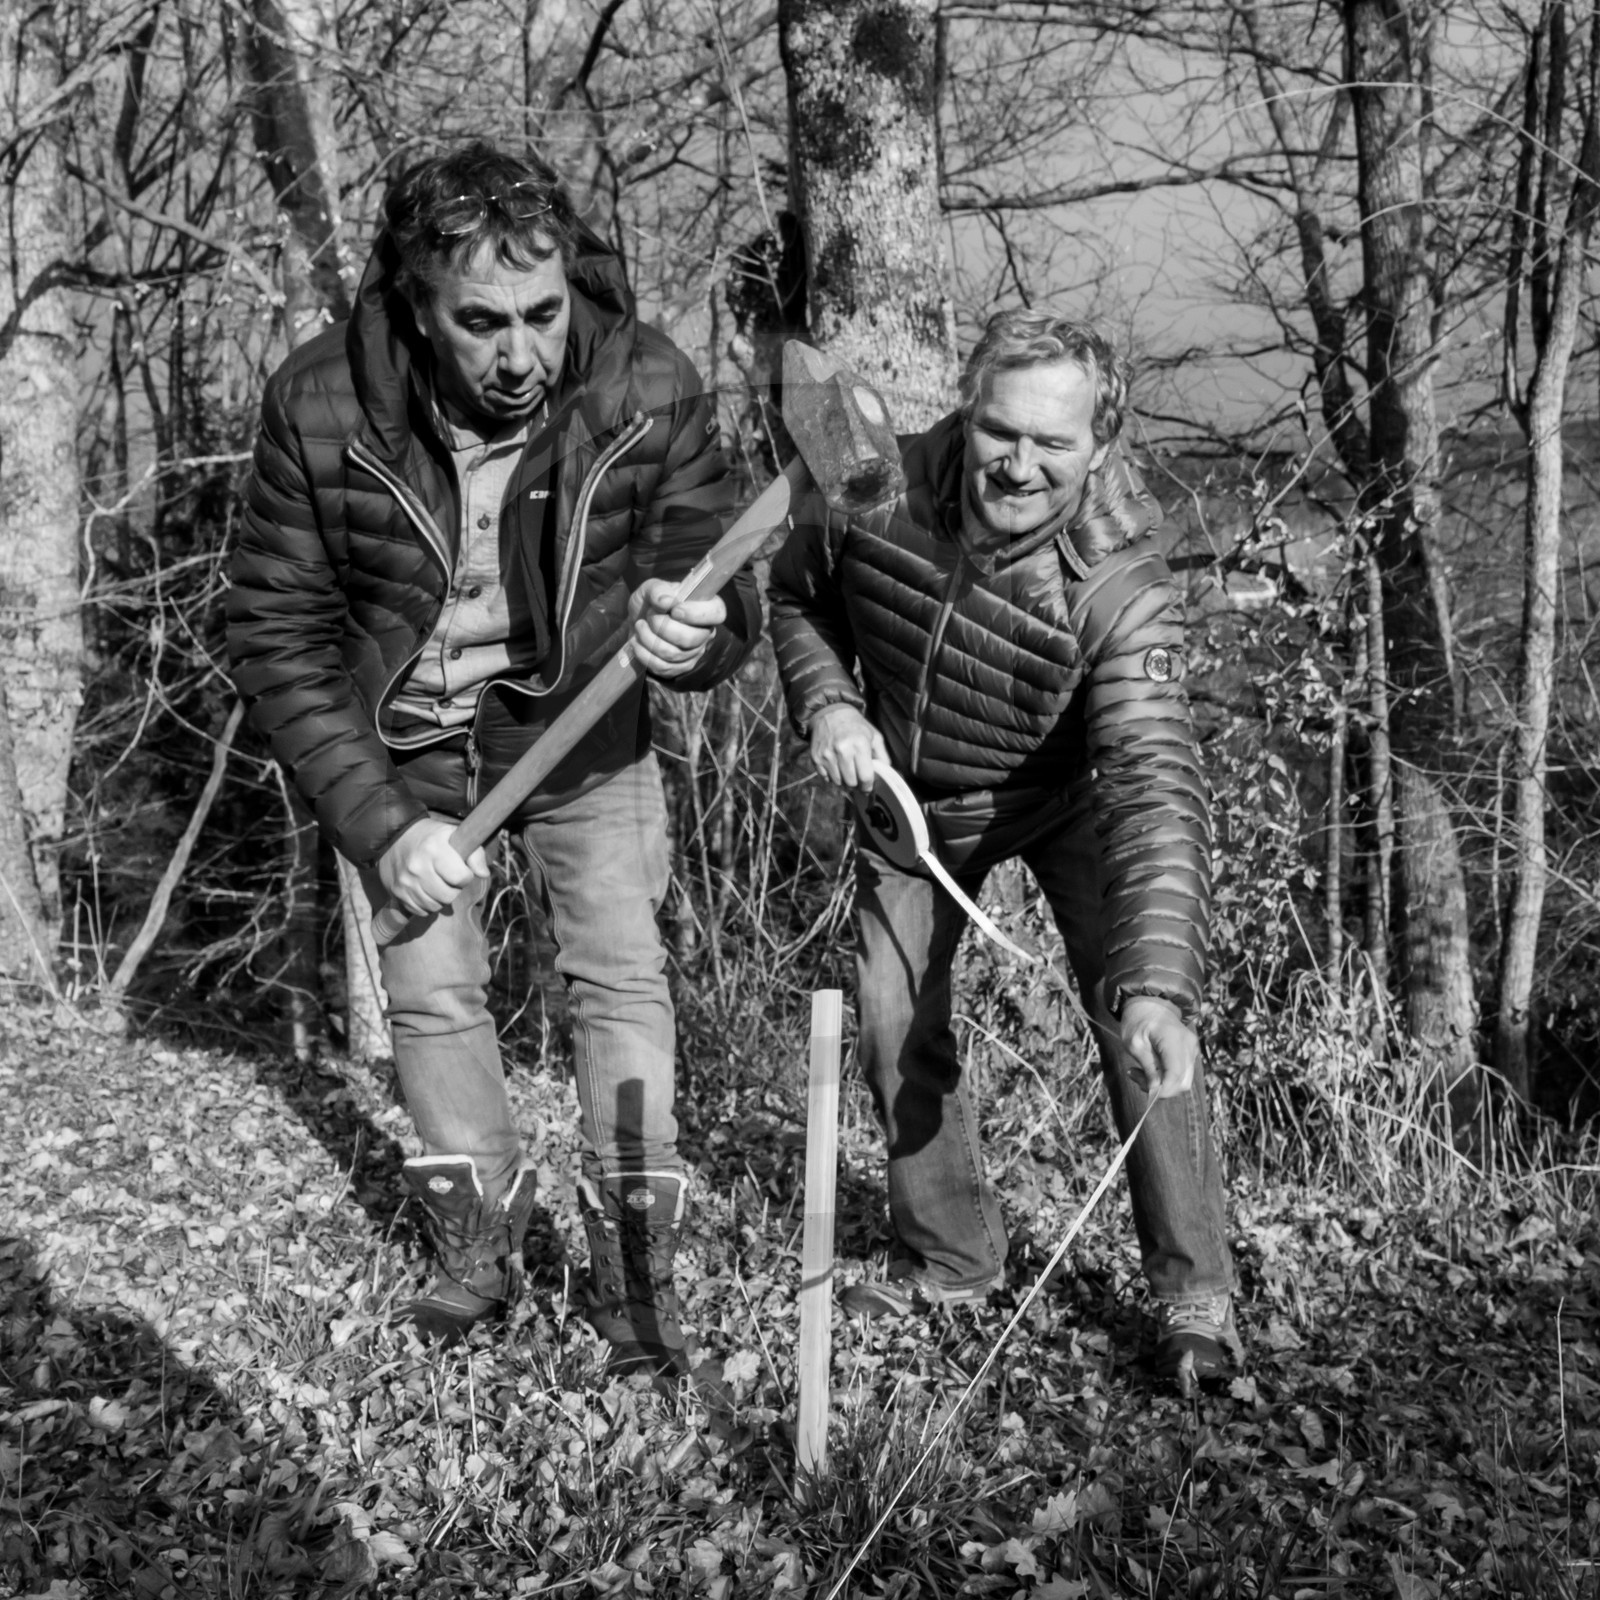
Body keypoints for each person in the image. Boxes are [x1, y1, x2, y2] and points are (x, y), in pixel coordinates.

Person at [227, 141, 760, 1379]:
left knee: (621, 976)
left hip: (582, 730)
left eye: (542, 313)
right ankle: (477, 1246)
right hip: (405, 749)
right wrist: (379, 822)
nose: (521, 355)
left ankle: (635, 1264)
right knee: (430, 994)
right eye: (481, 323)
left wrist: (699, 632)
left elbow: (720, 571)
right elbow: (274, 632)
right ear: (417, 306)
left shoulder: (646, 382)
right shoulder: (320, 403)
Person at [767, 311, 1240, 1387]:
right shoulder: (871, 484)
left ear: (1099, 445)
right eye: (1000, 431)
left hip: (1064, 800)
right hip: (908, 802)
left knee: (1139, 1024)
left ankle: (1194, 1295)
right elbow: (795, 598)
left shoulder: (1124, 584)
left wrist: (1158, 986)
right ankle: (953, 1258)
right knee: (892, 1020)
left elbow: (1153, 784)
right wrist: (831, 703)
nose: (1019, 465)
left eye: (1052, 443)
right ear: (966, 413)